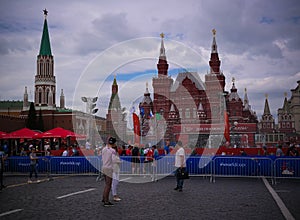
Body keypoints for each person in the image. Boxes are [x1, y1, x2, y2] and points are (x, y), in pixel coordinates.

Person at [102, 137, 117, 207]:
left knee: (106, 184)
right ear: (113, 143)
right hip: (109, 168)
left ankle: (104, 198)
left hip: (104, 167)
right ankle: (106, 201)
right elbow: (114, 160)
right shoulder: (112, 151)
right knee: (108, 185)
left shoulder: (104, 149)